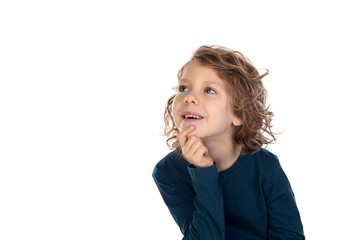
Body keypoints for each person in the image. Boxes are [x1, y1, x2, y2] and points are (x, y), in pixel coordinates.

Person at [152, 45, 305, 240]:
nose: (189, 97)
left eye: (209, 90)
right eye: (184, 88)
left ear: (239, 113)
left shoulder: (265, 167)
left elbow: (290, 236)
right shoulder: (167, 171)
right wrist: (203, 171)